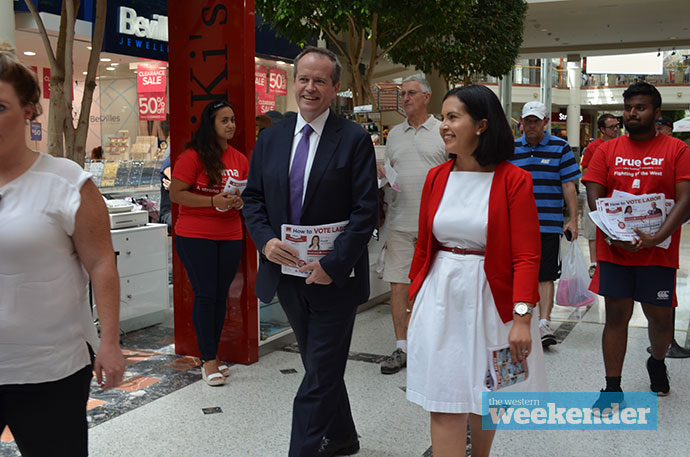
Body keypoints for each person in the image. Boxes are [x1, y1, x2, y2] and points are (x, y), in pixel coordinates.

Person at [242, 46, 378, 457]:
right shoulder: (271, 138)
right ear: (293, 83)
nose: (310, 87)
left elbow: (365, 211)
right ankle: (342, 437)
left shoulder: (353, 139)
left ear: (335, 88)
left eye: (320, 80)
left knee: (318, 374)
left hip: (334, 279)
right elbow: (253, 200)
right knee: (320, 366)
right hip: (286, 276)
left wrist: (333, 265)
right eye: (303, 78)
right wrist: (265, 241)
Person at [406, 84, 547, 457]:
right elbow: (425, 244)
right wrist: (415, 292)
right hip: (441, 296)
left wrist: (521, 317)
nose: (444, 126)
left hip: (491, 298)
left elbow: (527, 256)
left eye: (453, 117)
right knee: (444, 398)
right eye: (444, 117)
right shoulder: (437, 177)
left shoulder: (514, 180)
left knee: (485, 396)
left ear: (482, 125)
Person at [0, 42, 125, 456]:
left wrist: (110, 342)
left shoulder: (66, 182)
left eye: (0, 107)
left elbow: (102, 262)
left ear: (29, 110)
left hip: (49, 370)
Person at [583, 82, 690, 406]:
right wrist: (610, 229)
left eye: (640, 107)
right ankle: (612, 387)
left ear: (656, 113)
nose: (632, 113)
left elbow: (686, 198)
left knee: (660, 318)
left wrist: (657, 237)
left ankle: (656, 362)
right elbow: (594, 192)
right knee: (616, 316)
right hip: (616, 250)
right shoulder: (607, 150)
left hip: (658, 251)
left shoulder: (677, 150)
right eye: (628, 107)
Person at [169, 99, 247, 387]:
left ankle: (213, 354)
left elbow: (241, 194)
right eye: (224, 120)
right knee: (205, 294)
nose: (231, 125)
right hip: (195, 234)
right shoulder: (192, 157)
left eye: (233, 120)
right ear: (210, 124)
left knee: (220, 295)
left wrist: (238, 200)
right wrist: (212, 201)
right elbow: (177, 194)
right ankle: (208, 360)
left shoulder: (239, 158)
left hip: (230, 234)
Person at [376, 75, 446, 375]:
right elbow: (390, 177)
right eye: (402, 94)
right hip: (400, 222)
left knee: (435, 288)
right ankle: (402, 346)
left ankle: (432, 346)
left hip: (437, 226)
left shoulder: (444, 130)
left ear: (426, 97)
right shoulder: (394, 135)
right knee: (398, 285)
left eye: (411, 93)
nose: (405, 98)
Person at [509, 100, 581, 347]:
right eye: (527, 120)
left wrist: (572, 220)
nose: (531, 125)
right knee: (516, 273)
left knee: (545, 275)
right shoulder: (510, 148)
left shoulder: (560, 148)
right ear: (521, 122)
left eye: (536, 121)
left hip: (548, 224)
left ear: (545, 123)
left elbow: (569, 185)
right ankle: (518, 318)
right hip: (515, 225)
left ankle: (544, 323)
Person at [581, 114, 619, 276]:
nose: (616, 129)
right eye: (611, 127)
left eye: (617, 125)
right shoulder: (594, 147)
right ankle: (594, 263)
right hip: (596, 193)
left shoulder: (622, 144)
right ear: (602, 130)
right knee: (592, 228)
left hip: (615, 195)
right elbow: (586, 169)